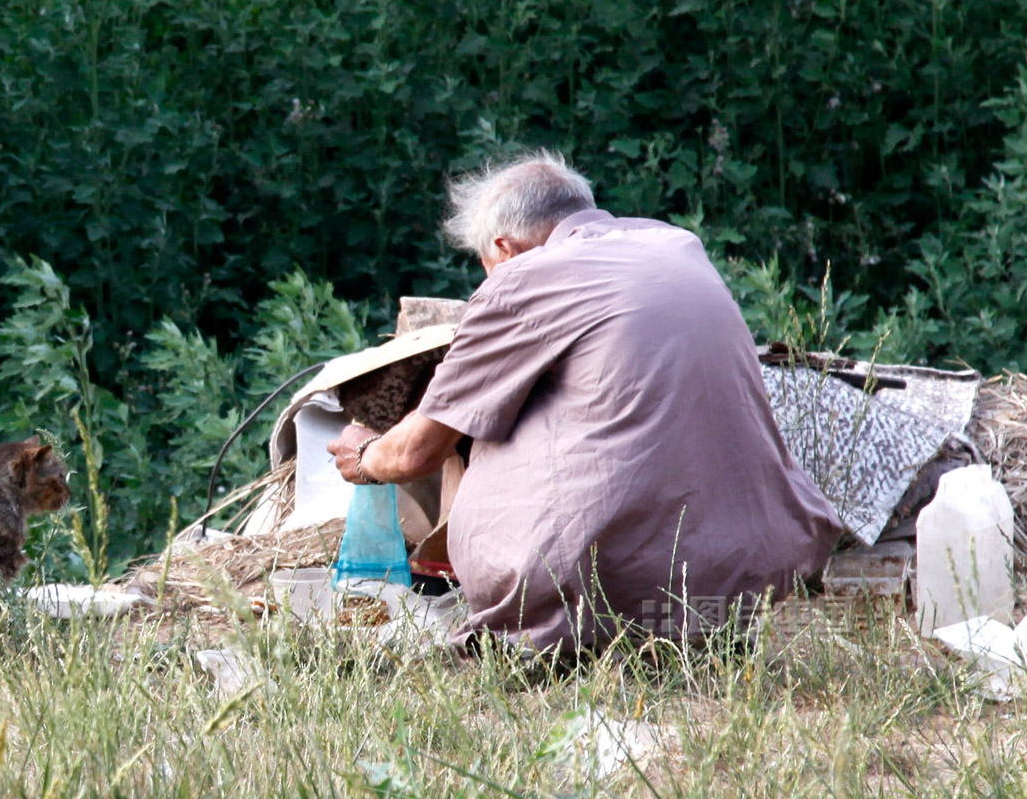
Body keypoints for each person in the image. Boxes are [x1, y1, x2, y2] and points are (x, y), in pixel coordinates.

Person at [329, 150, 842, 653]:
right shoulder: (678, 248)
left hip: (604, 603)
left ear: (504, 249)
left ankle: (554, 631)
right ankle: (686, 635)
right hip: (736, 586)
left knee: (490, 430)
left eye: (486, 266)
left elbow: (417, 452)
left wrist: (364, 454)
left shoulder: (524, 279)